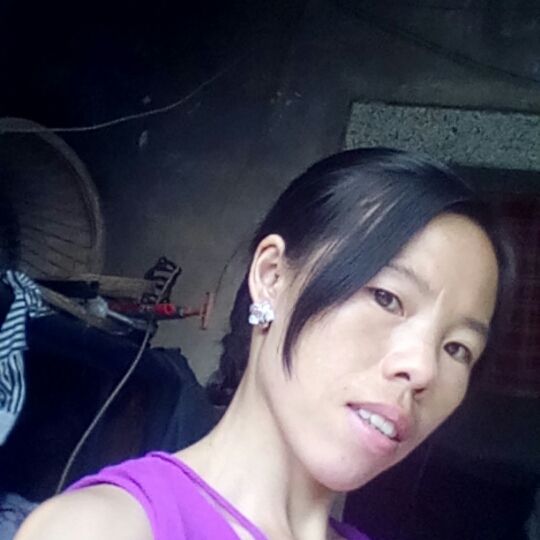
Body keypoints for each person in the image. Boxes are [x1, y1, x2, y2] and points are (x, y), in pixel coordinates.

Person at [16, 148, 513, 540]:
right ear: (272, 276)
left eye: (458, 348)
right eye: (387, 297)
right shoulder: (103, 530)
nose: (424, 369)